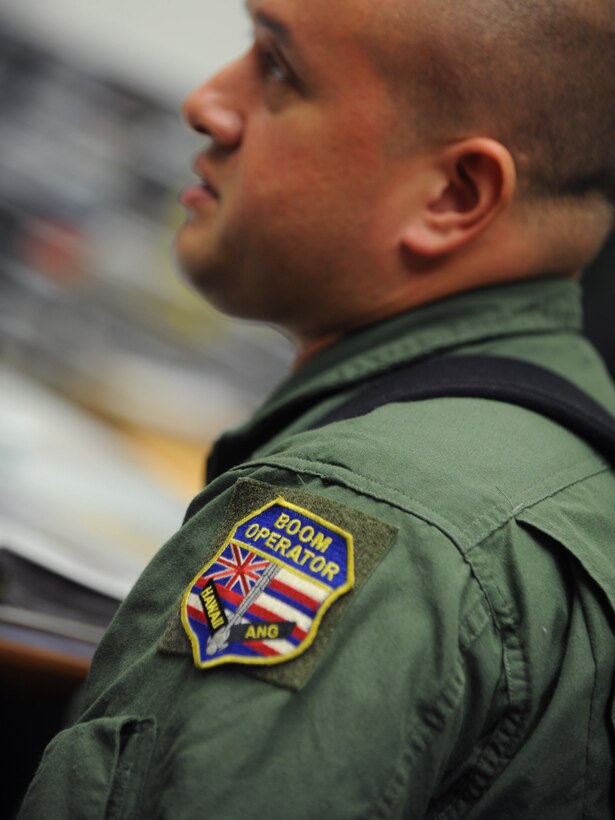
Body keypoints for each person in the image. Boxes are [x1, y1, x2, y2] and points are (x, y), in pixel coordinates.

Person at [19, 0, 615, 817]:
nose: (207, 103)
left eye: (277, 69)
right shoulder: (568, 455)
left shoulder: (348, 518)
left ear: (452, 194)